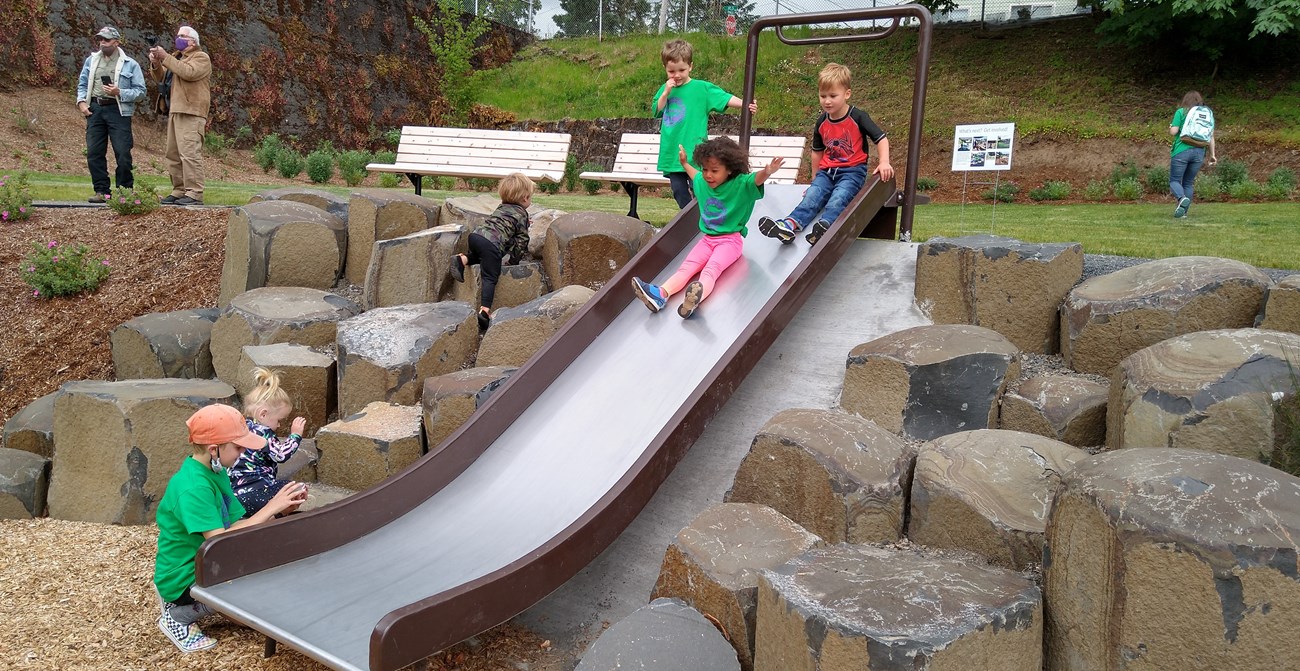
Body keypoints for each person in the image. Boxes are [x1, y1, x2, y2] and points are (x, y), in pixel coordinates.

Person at [153, 403, 307, 653]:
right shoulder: (194, 487)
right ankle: (179, 614)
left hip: (205, 563)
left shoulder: (216, 472)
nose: (243, 451)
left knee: (261, 558)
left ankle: (229, 606)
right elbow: (218, 542)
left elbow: (237, 525)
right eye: (238, 446)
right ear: (214, 449)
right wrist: (271, 507)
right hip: (182, 577)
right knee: (252, 574)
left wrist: (280, 511)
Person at [631, 137, 784, 319]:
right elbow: (694, 174)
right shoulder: (703, 182)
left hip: (730, 242)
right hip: (707, 240)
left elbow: (755, 180)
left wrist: (767, 172)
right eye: (705, 169)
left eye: (714, 171)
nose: (708, 175)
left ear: (730, 170)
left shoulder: (740, 184)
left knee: (711, 269)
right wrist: (684, 163)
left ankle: (696, 297)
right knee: (686, 268)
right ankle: (660, 295)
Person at [757, 63, 893, 247]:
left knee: (839, 197)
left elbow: (881, 138)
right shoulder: (821, 121)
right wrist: (814, 179)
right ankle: (789, 226)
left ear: (847, 94)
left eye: (833, 96)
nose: (827, 101)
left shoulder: (858, 117)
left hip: (852, 172)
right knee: (812, 197)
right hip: (827, 172)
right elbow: (817, 152)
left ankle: (826, 227)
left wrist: (884, 162)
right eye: (823, 96)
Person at [654, 39, 757, 209]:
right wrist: (665, 92)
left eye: (682, 70)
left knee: (700, 188)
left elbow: (724, 97)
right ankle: (688, 219)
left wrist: (745, 103)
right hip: (673, 153)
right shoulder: (665, 90)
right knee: (679, 190)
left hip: (695, 153)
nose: (677, 75)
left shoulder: (701, 88)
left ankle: (704, 218)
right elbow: (657, 110)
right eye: (671, 71)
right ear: (665, 68)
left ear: (690, 67)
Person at [450, 172, 535, 331]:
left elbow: (505, 223)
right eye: (530, 197)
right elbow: (522, 240)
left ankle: (462, 260)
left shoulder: (502, 206)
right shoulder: (522, 213)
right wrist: (514, 261)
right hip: (491, 244)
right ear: (525, 198)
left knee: (482, 257)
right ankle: (485, 312)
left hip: (476, 237)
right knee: (490, 275)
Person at [75, 26, 147, 203]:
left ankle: (125, 192)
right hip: (95, 109)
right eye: (100, 39)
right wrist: (82, 102)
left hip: (118, 110)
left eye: (106, 40)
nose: (102, 43)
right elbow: (82, 84)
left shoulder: (131, 64)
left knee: (122, 153)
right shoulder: (91, 61)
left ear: (116, 42)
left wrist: (119, 91)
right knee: (94, 152)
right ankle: (102, 192)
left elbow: (140, 92)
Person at [227, 367, 307, 517]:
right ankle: (275, 517)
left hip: (235, 495)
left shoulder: (243, 427)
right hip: (255, 492)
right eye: (279, 420)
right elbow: (281, 455)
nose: (279, 425)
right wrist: (295, 436)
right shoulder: (263, 433)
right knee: (292, 488)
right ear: (263, 414)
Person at [148, 25, 211, 206]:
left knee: (189, 153)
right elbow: (161, 78)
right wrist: (156, 63)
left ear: (193, 41)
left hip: (192, 112)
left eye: (183, 36)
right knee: (173, 154)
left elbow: (188, 73)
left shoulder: (201, 57)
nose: (178, 38)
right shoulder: (177, 58)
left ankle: (194, 192)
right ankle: (179, 190)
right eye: (177, 35)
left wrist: (165, 57)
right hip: (174, 110)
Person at [1168, 90, 1217, 219]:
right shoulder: (1206, 114)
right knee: (1188, 183)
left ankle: (1181, 198)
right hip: (1199, 152)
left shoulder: (1181, 112)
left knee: (1174, 180)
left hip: (1181, 150)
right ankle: (1183, 213)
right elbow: (1210, 136)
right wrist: (1212, 155)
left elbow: (1174, 132)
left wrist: (1171, 127)